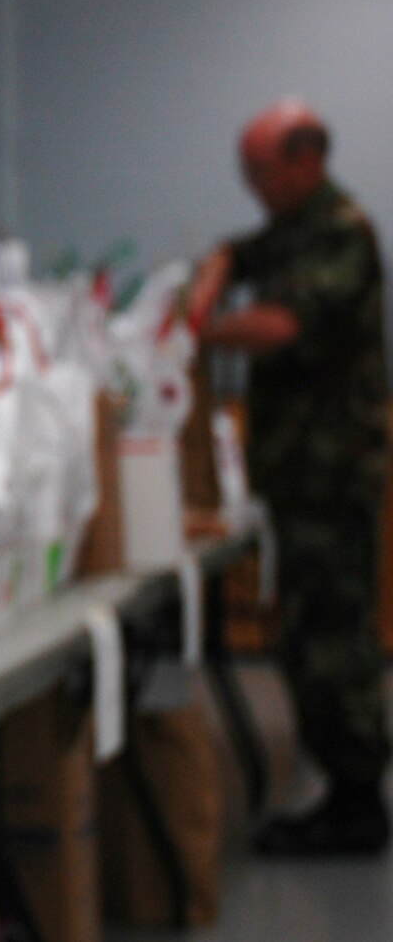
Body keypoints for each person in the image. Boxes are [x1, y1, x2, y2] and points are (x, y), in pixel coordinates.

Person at [188, 99, 391, 854]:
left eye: (259, 171)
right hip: (301, 475)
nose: (251, 185)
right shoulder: (296, 233)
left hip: (331, 477)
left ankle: (357, 800)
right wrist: (216, 266)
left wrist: (195, 333)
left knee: (334, 642)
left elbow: (281, 326)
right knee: (306, 636)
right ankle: (345, 788)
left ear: (306, 161)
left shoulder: (343, 235)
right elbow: (243, 254)